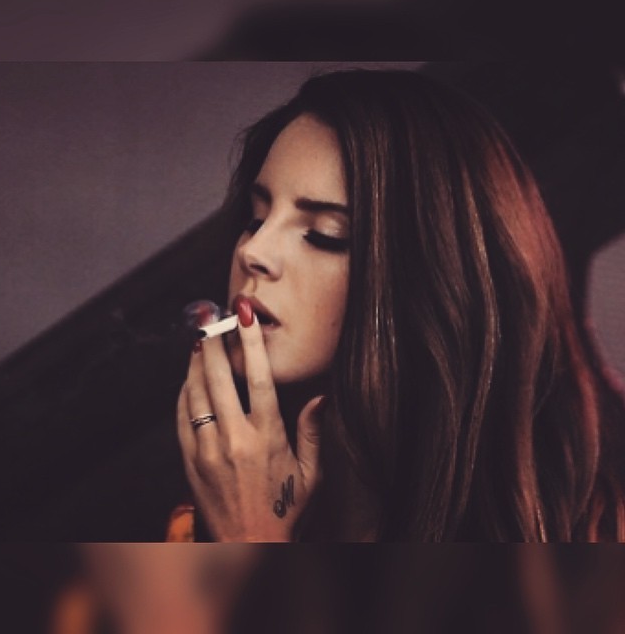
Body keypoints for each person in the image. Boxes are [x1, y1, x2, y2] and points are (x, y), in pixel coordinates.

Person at [176, 69, 625, 542]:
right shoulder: (193, 529)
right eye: (256, 219)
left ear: (430, 277)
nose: (253, 251)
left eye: (325, 235)